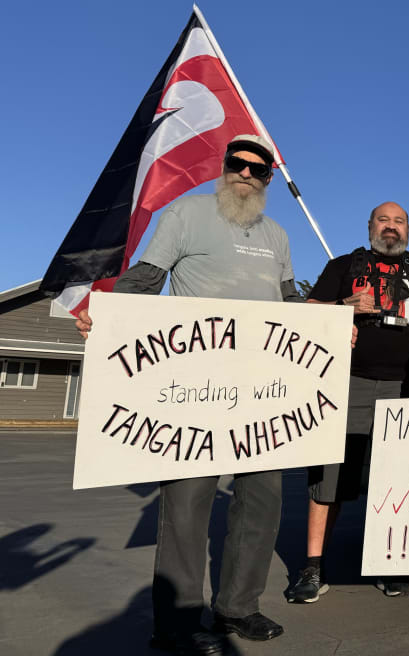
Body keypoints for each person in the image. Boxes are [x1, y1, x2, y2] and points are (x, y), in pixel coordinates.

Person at [76, 135, 303, 655]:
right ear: (224, 168)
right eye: (237, 164)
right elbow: (147, 279)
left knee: (262, 501)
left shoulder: (278, 236)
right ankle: (176, 623)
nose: (246, 173)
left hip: (264, 388)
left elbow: (291, 302)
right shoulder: (187, 214)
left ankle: (238, 607)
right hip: (193, 388)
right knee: (186, 504)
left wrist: (336, 324)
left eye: (257, 168)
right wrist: (105, 315)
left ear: (269, 179)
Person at [284, 202, 409, 603]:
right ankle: (313, 566)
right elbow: (307, 314)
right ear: (370, 226)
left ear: (408, 229)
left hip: (404, 389)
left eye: (399, 221)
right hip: (348, 383)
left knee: (397, 479)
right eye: (383, 221)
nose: (391, 228)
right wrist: (343, 308)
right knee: (329, 477)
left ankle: (390, 563)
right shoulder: (343, 267)